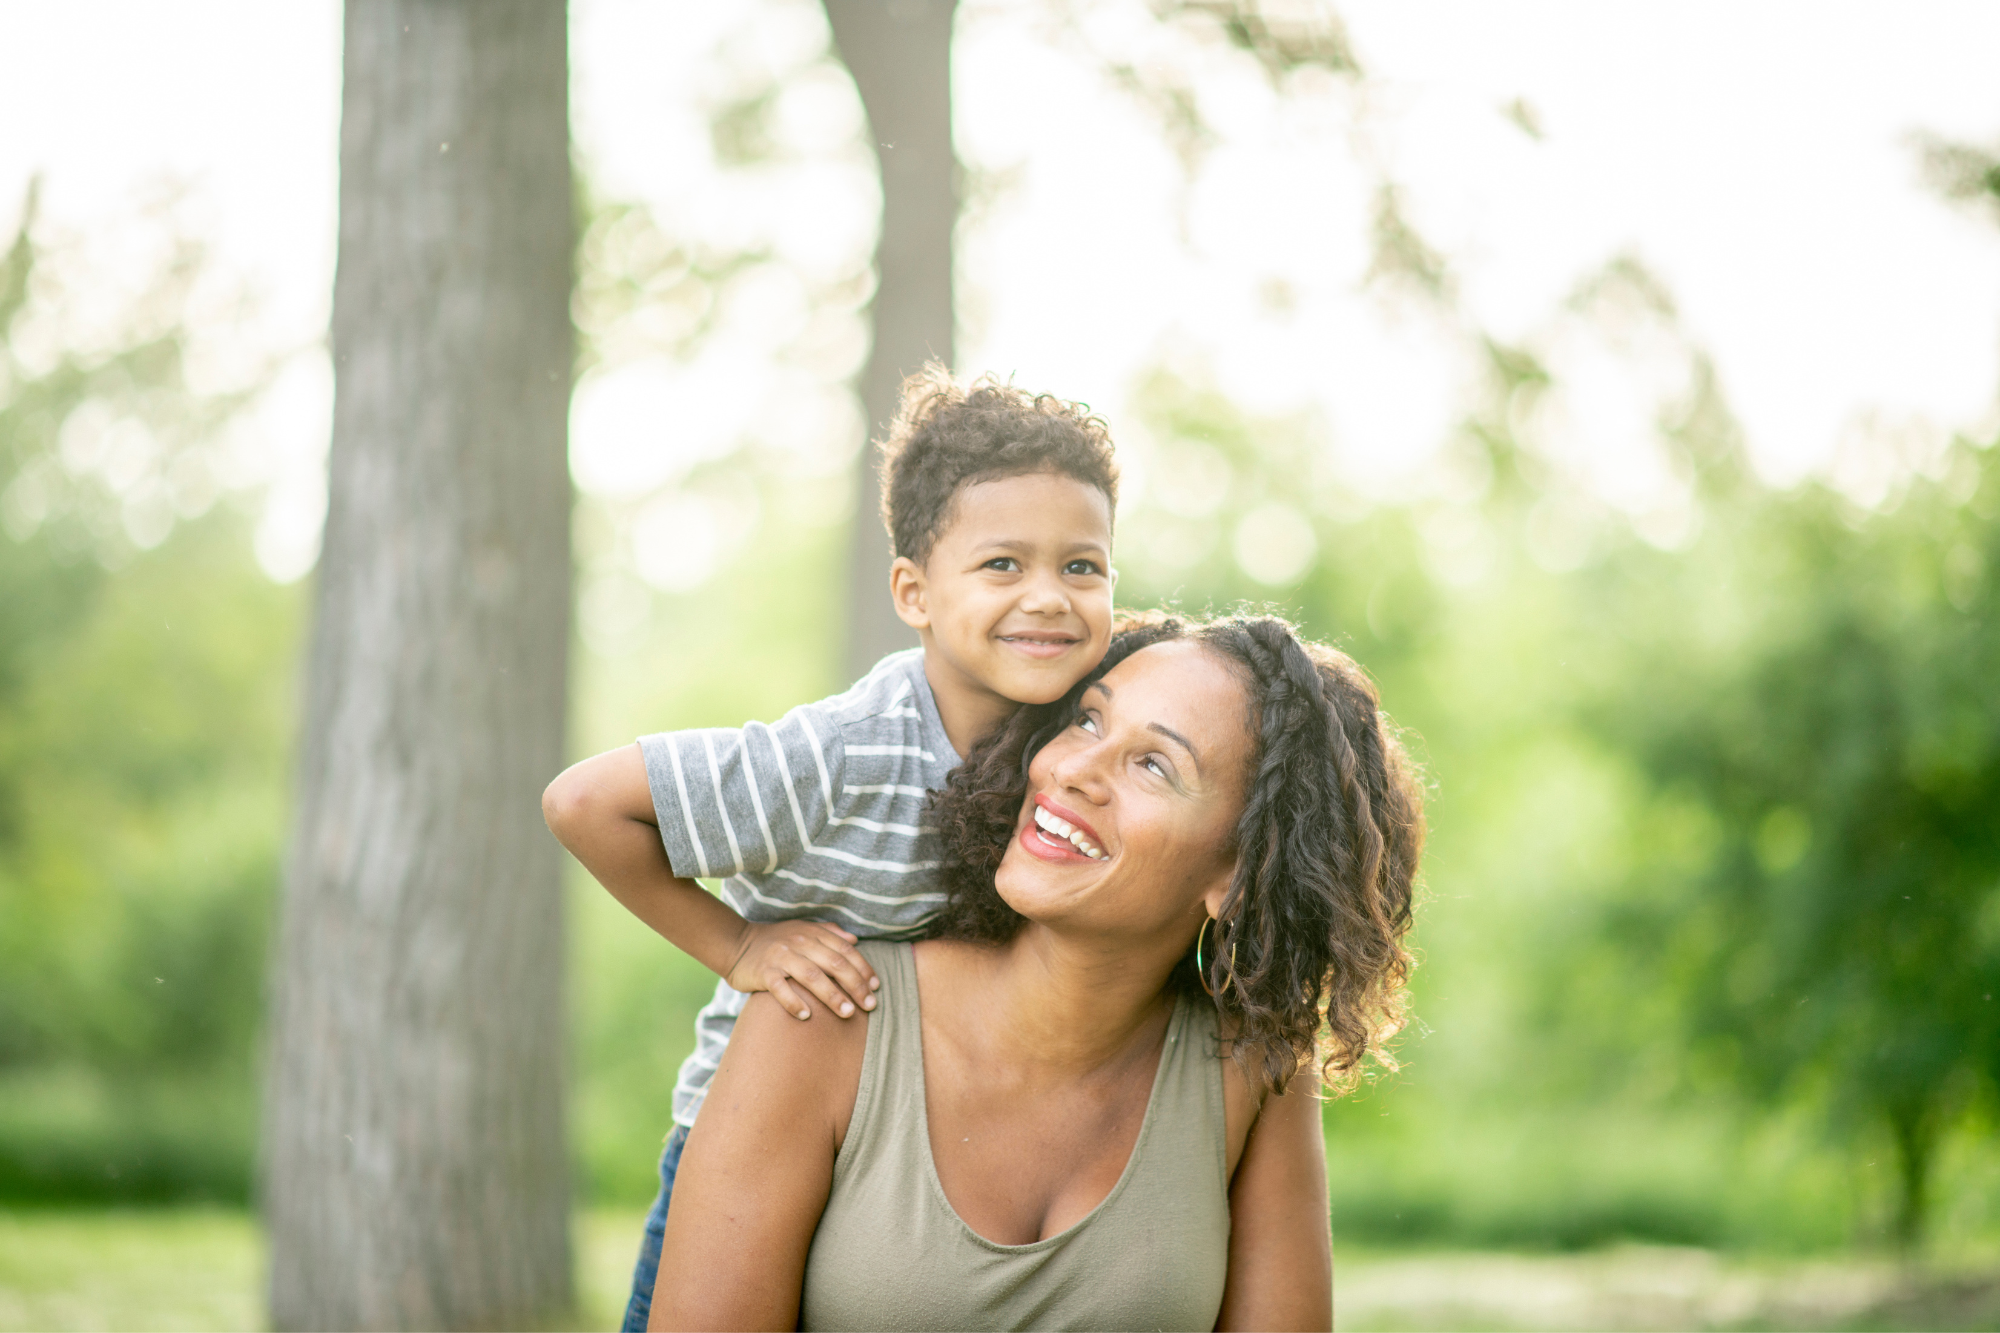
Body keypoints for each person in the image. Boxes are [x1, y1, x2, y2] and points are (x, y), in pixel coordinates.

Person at [541, 367, 1122, 1330]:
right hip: (750, 1133)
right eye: (1003, 566)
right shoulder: (848, 752)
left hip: (911, 1147)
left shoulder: (1074, 731)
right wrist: (742, 948)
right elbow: (583, 803)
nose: (1051, 598)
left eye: (1083, 567)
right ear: (914, 592)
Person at [646, 613, 1425, 1332]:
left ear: (1241, 873)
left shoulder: (1252, 1069)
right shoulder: (823, 1010)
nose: (1074, 769)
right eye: (1087, 718)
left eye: (1153, 764)